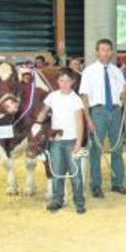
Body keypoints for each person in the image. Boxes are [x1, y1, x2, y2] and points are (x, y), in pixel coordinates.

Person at [80, 39, 126, 197]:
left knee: (117, 147)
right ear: (97, 52)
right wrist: (88, 119)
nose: (106, 53)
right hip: (98, 112)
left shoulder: (116, 71)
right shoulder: (89, 71)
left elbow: (123, 95)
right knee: (95, 149)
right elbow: (85, 97)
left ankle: (117, 183)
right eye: (103, 50)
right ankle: (96, 185)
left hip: (116, 112)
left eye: (109, 50)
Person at [35, 68, 86, 214]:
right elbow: (44, 111)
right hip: (56, 141)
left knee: (75, 174)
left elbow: (79, 123)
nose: (64, 84)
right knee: (57, 173)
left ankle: (79, 201)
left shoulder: (76, 99)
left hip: (71, 141)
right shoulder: (52, 96)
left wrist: (78, 143)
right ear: (57, 81)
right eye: (61, 80)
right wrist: (37, 124)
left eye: (67, 81)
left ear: (73, 82)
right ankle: (57, 200)